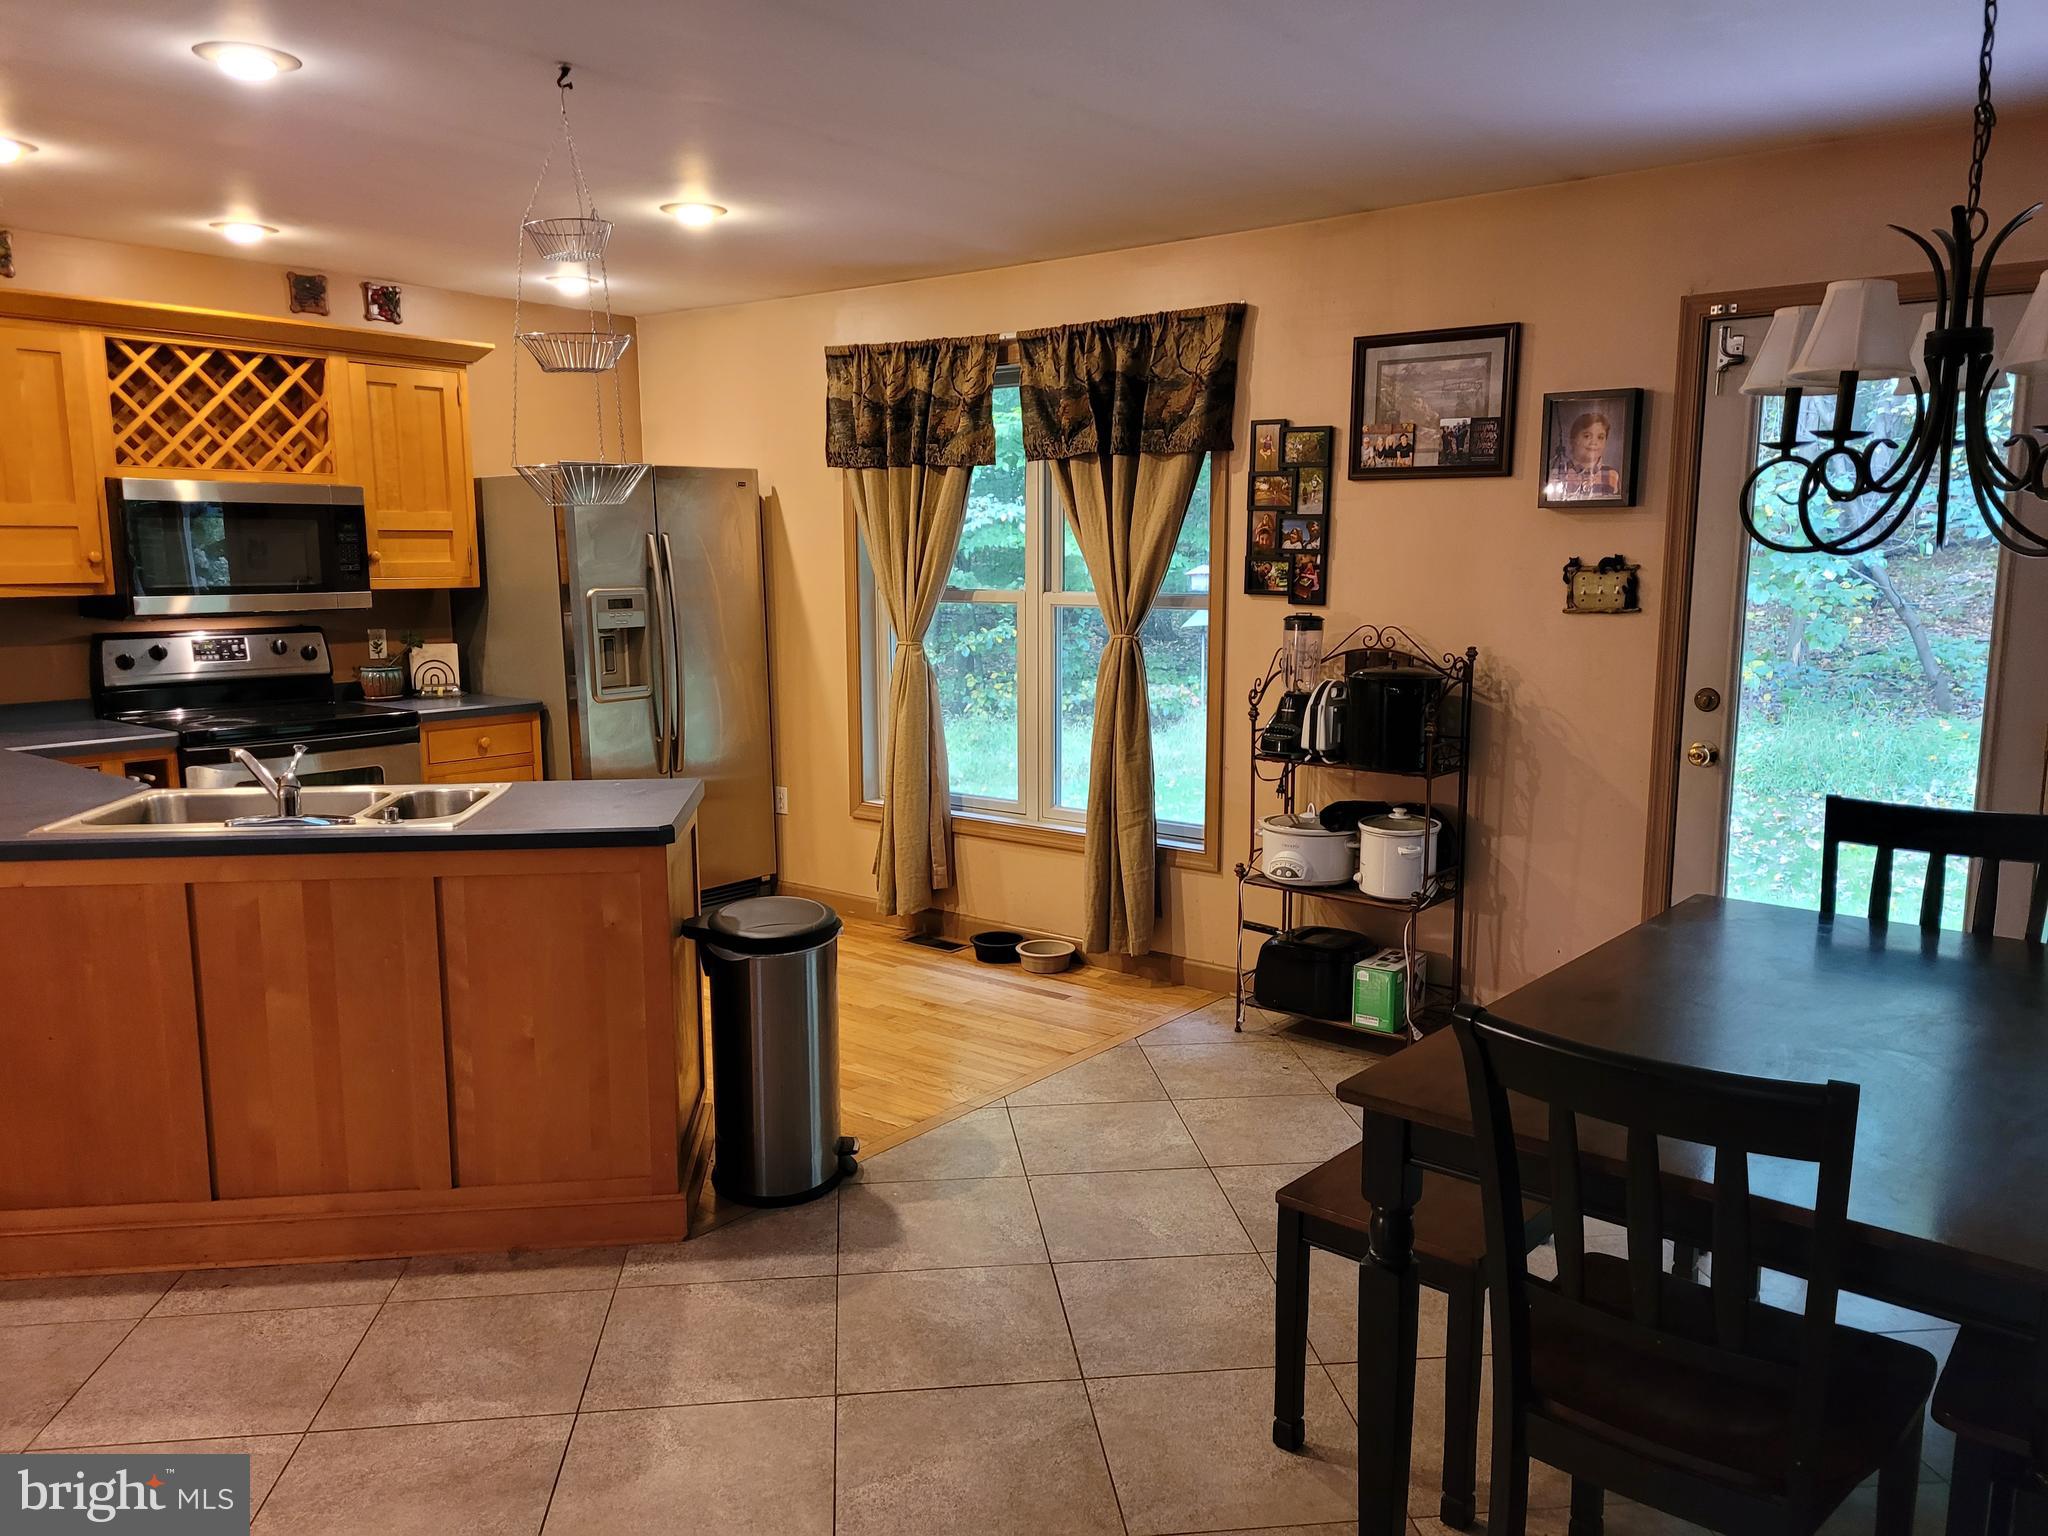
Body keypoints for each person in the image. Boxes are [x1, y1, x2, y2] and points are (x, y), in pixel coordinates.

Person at [1549, 410, 1622, 500]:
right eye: (1587, 436)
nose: (1594, 442)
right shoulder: (1557, 471)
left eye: (1600, 437)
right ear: (1573, 440)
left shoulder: (1612, 474)